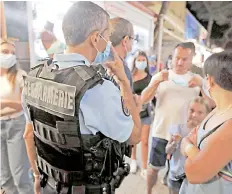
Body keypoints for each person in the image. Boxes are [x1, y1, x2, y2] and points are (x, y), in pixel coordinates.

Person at [22, 2, 141, 194]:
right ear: (95, 38)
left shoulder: (34, 77)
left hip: (49, 184)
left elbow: (29, 134)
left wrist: (37, 176)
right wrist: (124, 84)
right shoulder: (98, 89)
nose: (108, 42)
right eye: (106, 35)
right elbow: (135, 135)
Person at [141, 42, 214, 194]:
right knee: (153, 169)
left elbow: (212, 104)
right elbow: (144, 99)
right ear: (172, 58)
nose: (180, 62)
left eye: (184, 59)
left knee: (177, 176)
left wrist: (202, 86)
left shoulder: (196, 79)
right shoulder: (161, 76)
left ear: (191, 59)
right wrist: (156, 82)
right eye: (177, 58)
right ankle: (148, 191)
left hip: (186, 137)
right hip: (161, 132)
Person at [179, 51, 232, 194]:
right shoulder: (217, 110)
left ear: (209, 80)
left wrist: (188, 147)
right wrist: (196, 152)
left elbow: (195, 172)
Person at [0, 38, 33, 194]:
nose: (9, 56)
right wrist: (10, 104)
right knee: (4, 176)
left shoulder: (20, 75)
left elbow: (24, 104)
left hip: (16, 125)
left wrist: (5, 104)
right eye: (5, 52)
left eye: (12, 53)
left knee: (19, 175)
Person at [166, 97, 211, 194]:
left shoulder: (208, 134)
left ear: (207, 115)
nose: (194, 115)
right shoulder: (177, 128)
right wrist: (174, 143)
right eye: (192, 110)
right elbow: (167, 151)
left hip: (195, 179)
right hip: (176, 176)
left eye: (200, 112)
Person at [130, 51, 152, 179]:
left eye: (143, 60)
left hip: (146, 113)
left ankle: (144, 167)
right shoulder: (130, 76)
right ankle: (133, 160)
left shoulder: (150, 78)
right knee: (133, 139)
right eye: (139, 60)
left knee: (144, 141)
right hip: (132, 113)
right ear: (135, 61)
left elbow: (153, 94)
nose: (141, 62)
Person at [109, 17, 137, 88]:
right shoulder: (123, 72)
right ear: (125, 40)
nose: (132, 43)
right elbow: (126, 98)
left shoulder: (95, 61)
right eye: (132, 38)